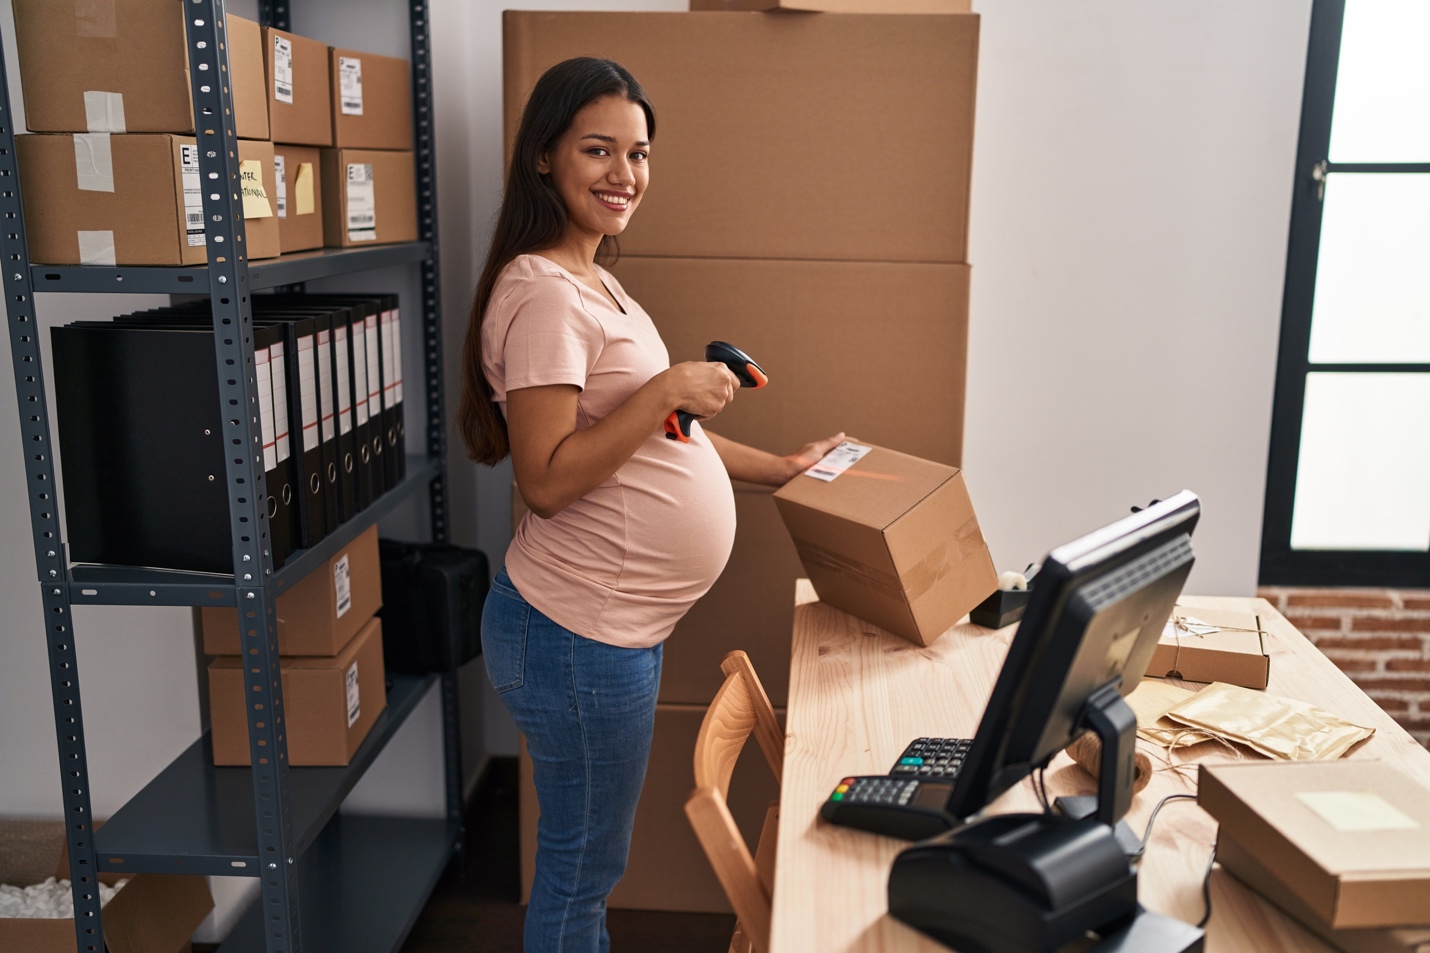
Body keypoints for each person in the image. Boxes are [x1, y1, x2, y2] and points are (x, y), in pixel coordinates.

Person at [459, 57, 843, 952]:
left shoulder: (595, 281)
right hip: (573, 635)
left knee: (589, 861)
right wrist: (667, 382)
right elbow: (546, 480)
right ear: (545, 157)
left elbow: (662, 439)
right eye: (599, 150)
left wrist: (780, 466)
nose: (624, 174)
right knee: (581, 871)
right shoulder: (545, 295)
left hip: (599, 631)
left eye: (638, 153)